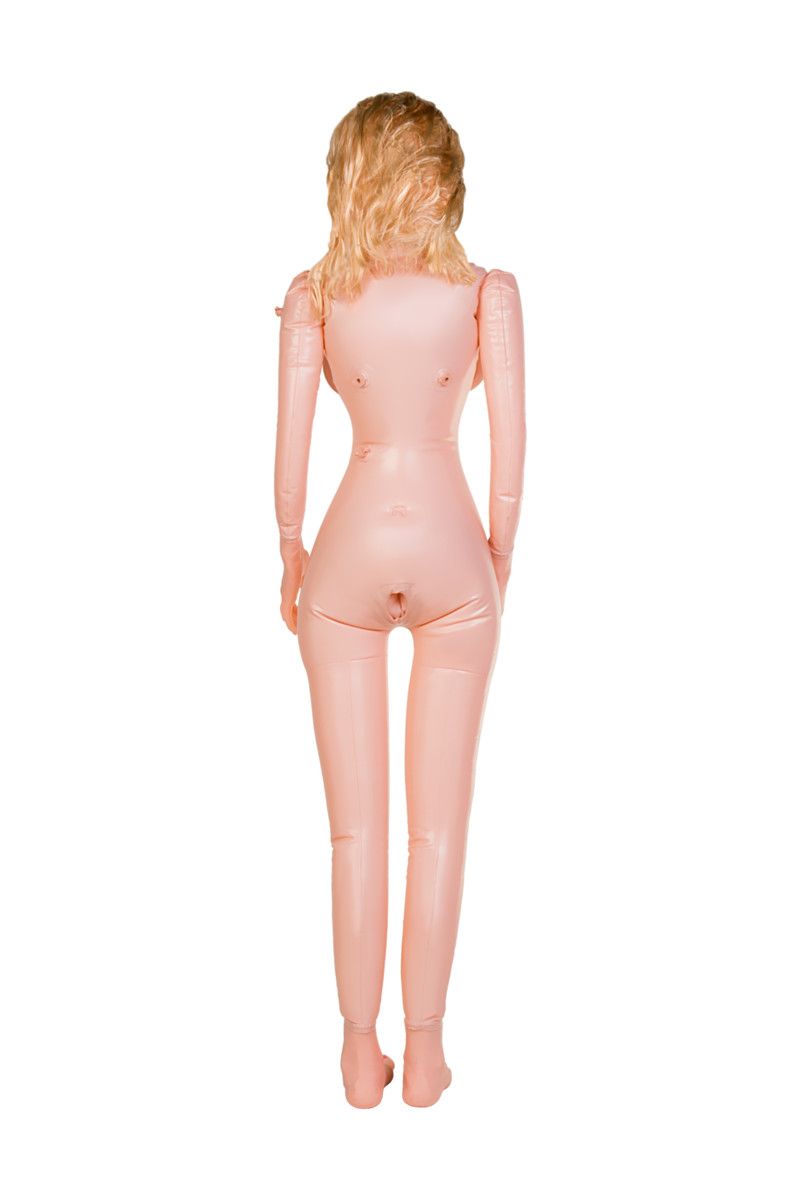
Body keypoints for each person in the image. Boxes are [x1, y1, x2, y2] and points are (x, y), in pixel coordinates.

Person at [274, 91, 526, 1108]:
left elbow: (289, 461)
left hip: (343, 549)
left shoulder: (313, 296)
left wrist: (287, 552)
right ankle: (423, 1056)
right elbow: (509, 451)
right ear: (441, 177)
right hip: (452, 547)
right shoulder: (486, 294)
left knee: (353, 832)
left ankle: (355, 1055)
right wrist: (497, 556)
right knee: (438, 827)